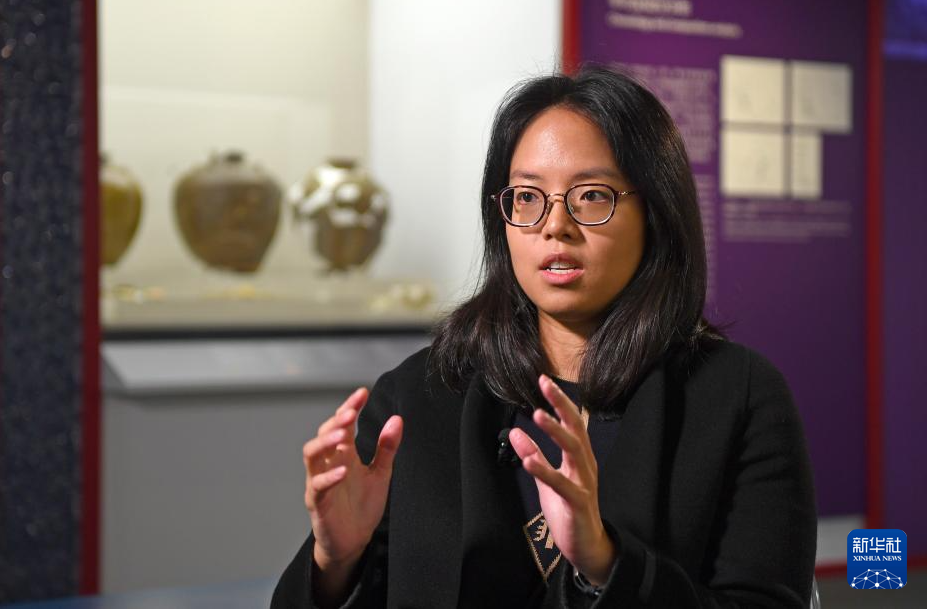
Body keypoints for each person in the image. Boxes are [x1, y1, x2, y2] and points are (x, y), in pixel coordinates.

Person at [272, 66, 817, 608]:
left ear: (654, 213)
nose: (555, 225)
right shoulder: (420, 394)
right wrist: (336, 561)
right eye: (528, 197)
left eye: (591, 195)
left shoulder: (736, 396)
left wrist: (606, 566)